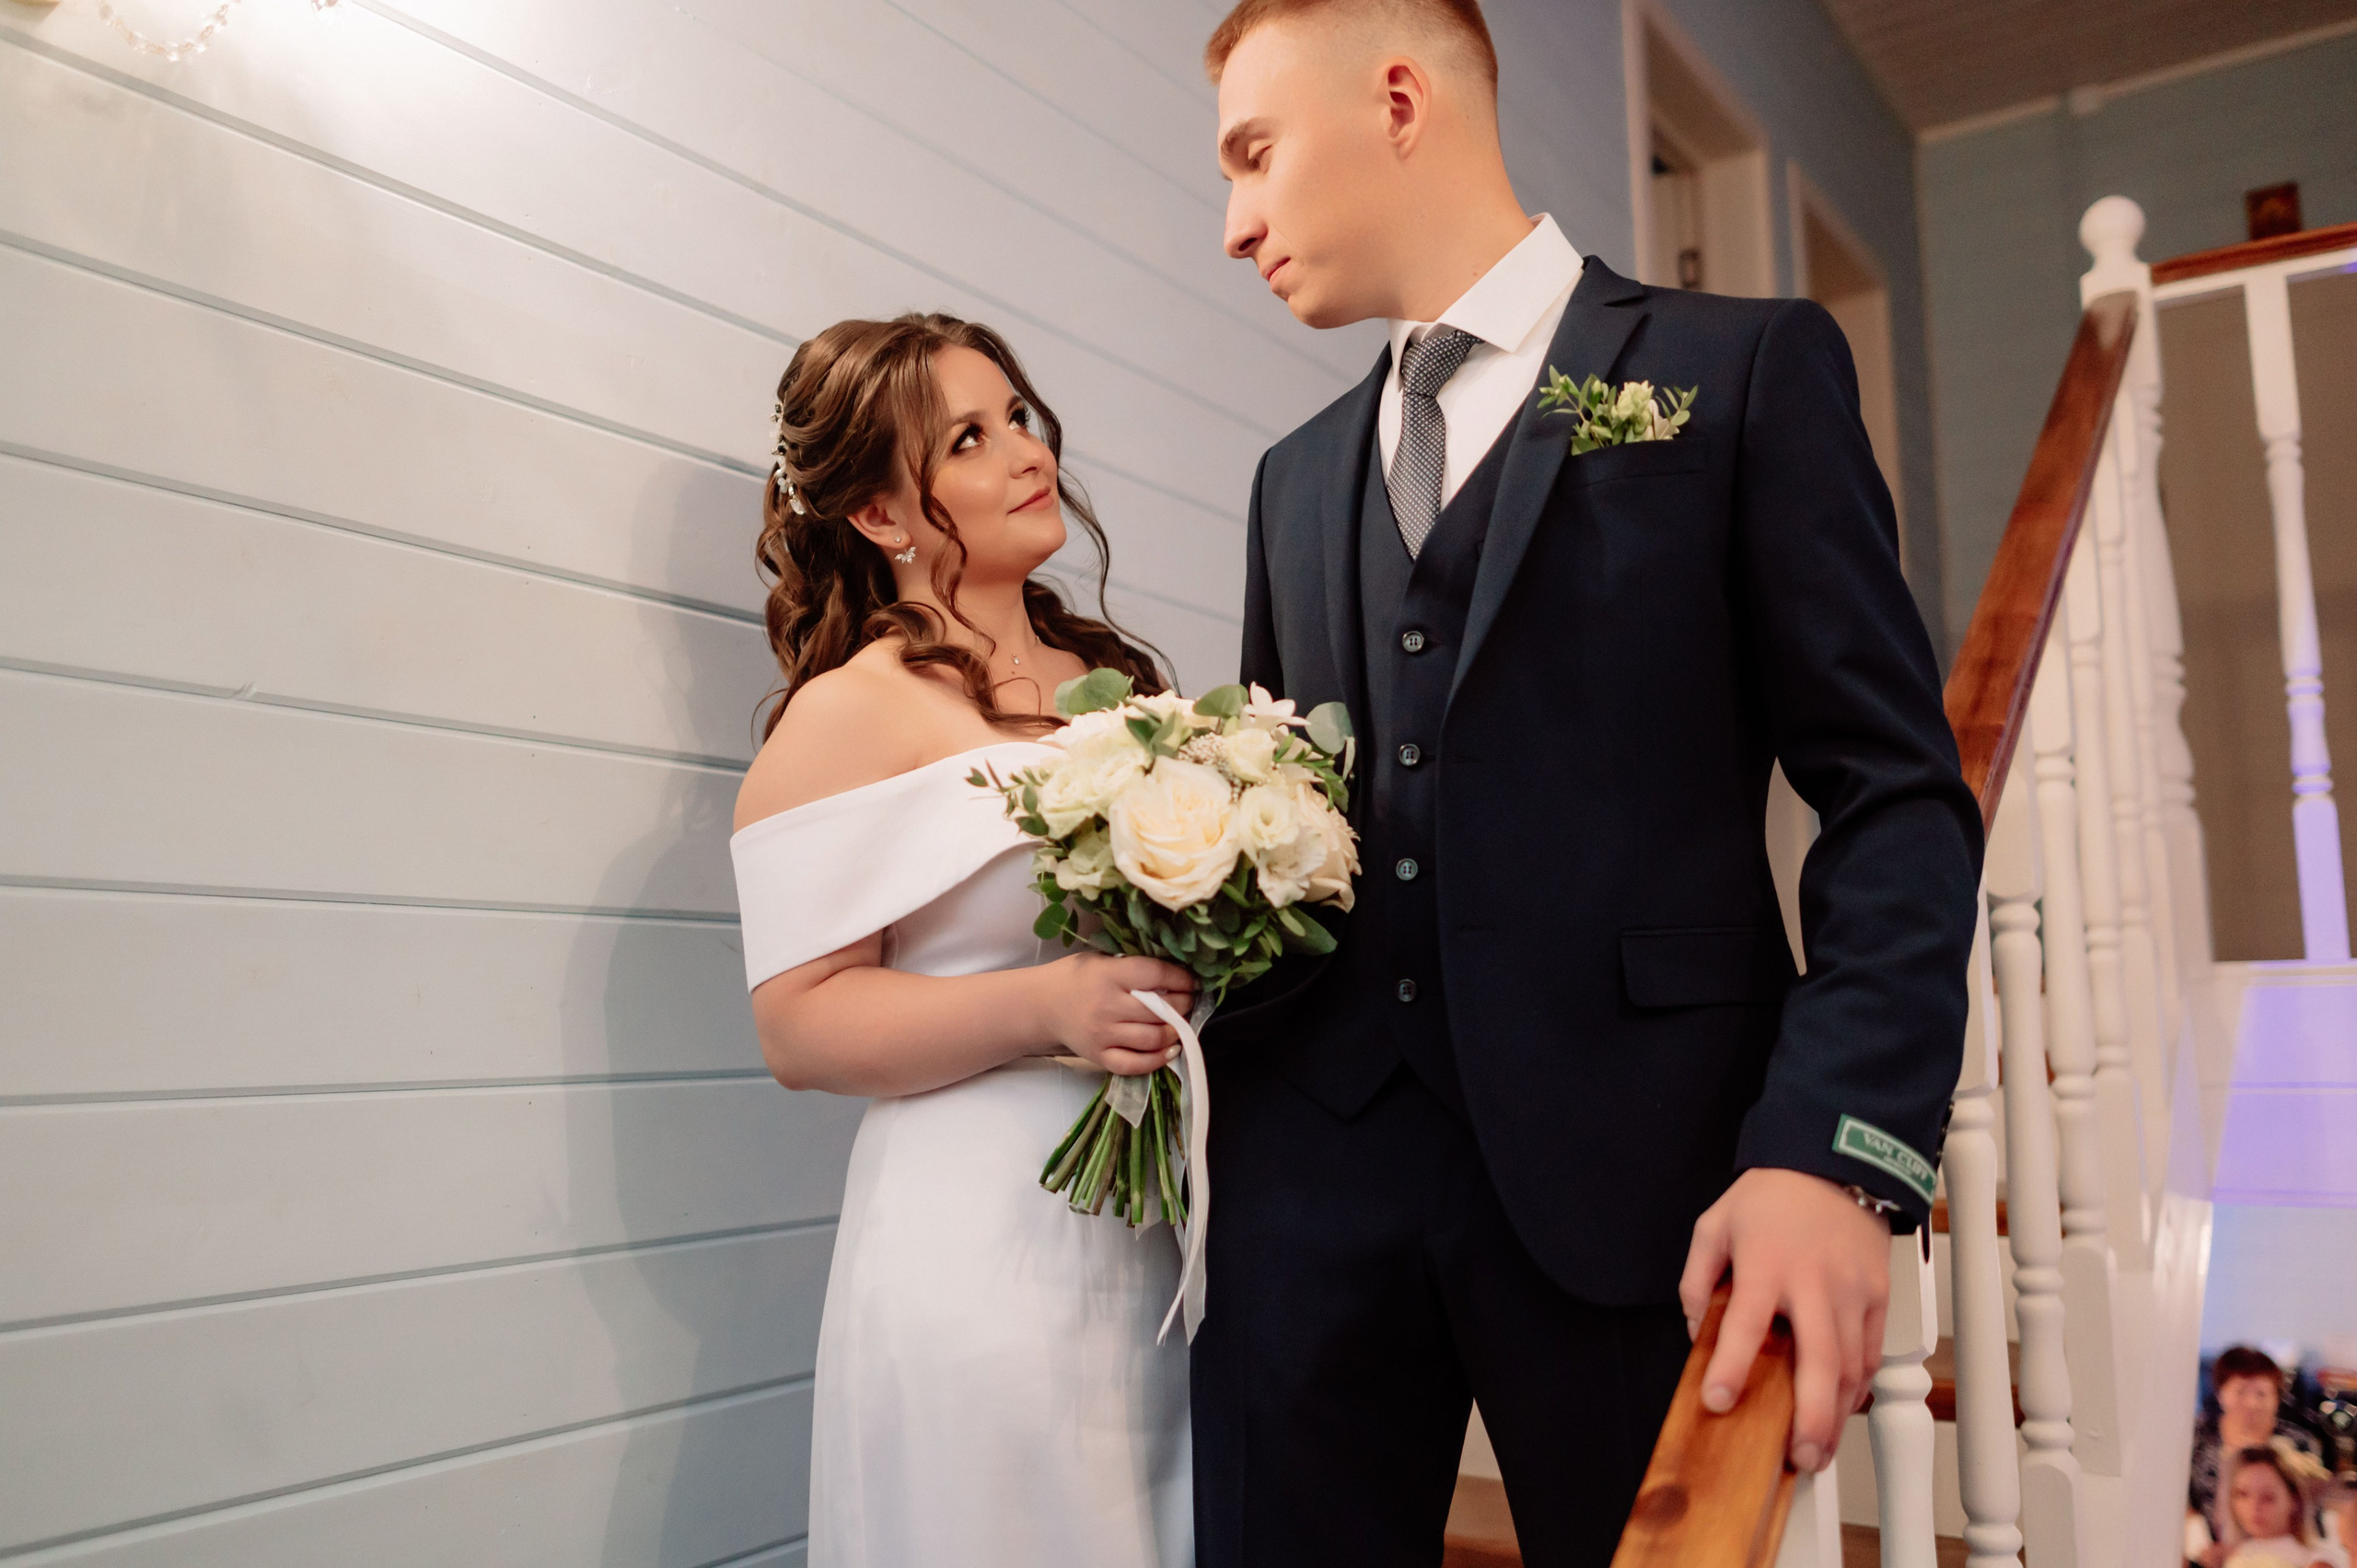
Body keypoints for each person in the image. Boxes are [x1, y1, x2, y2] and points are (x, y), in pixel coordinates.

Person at [1191, 2, 1983, 1562]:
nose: (1236, 225)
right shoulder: (1291, 482)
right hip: (1310, 1192)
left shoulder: (1739, 369)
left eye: (1254, 156)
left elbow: (1892, 791)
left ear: (1400, 98)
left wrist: (1834, 1144)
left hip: (1648, 1176)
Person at [729, 313, 1197, 1567]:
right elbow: (798, 1023)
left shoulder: (1123, 686)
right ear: (881, 515)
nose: (1025, 455)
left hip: (1161, 1240)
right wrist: (1046, 1007)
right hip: (979, 1244)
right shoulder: (850, 713)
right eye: (972, 439)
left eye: (1020, 418)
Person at [2193, 1348, 2328, 1567]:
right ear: (2220, 1393)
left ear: (2277, 1398)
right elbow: (2187, 1502)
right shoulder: (2200, 1436)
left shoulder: (2298, 1442)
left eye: (2261, 1393)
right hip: (2215, 1554)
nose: (2251, 1403)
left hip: (2284, 1550)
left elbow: (2311, 1511)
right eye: (2240, 1391)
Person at [2214, 1443, 2343, 1568]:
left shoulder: (2313, 1562)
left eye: (2268, 1497)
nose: (2254, 1507)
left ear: (2294, 1500)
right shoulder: (2237, 1554)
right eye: (2243, 1494)